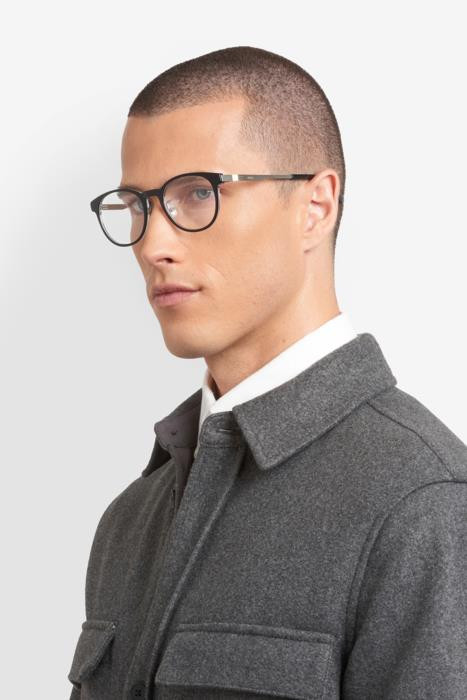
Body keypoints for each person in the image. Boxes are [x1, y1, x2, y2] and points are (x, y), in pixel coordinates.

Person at [67, 46, 467, 700]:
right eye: (137, 204)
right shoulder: (130, 520)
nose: (152, 244)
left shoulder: (423, 506)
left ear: (315, 206)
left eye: (197, 193)